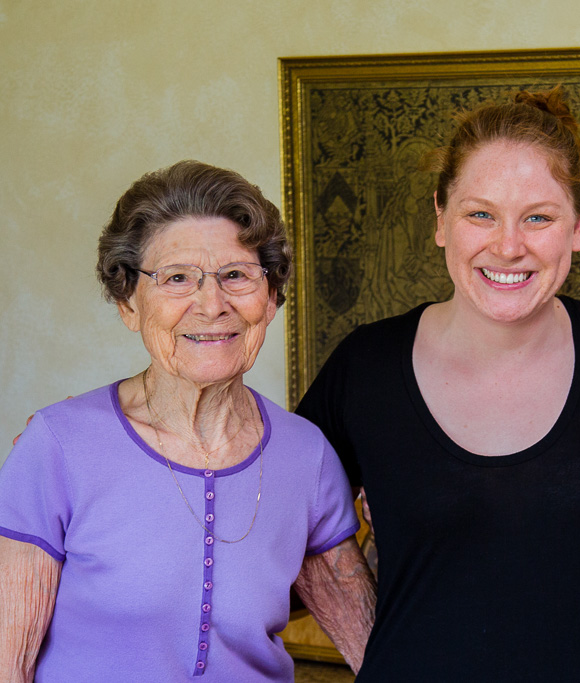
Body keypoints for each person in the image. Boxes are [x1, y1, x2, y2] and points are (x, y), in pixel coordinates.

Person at [296, 88, 580, 681]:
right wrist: (371, 638)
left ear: (577, 227)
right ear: (440, 219)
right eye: (481, 213)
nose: (508, 245)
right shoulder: (365, 367)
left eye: (538, 217)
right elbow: (279, 527)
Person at [0, 161, 376, 682]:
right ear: (129, 303)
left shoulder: (306, 455)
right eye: (177, 278)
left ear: (270, 301)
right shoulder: (58, 445)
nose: (211, 304)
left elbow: (377, 652)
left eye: (237, 276)